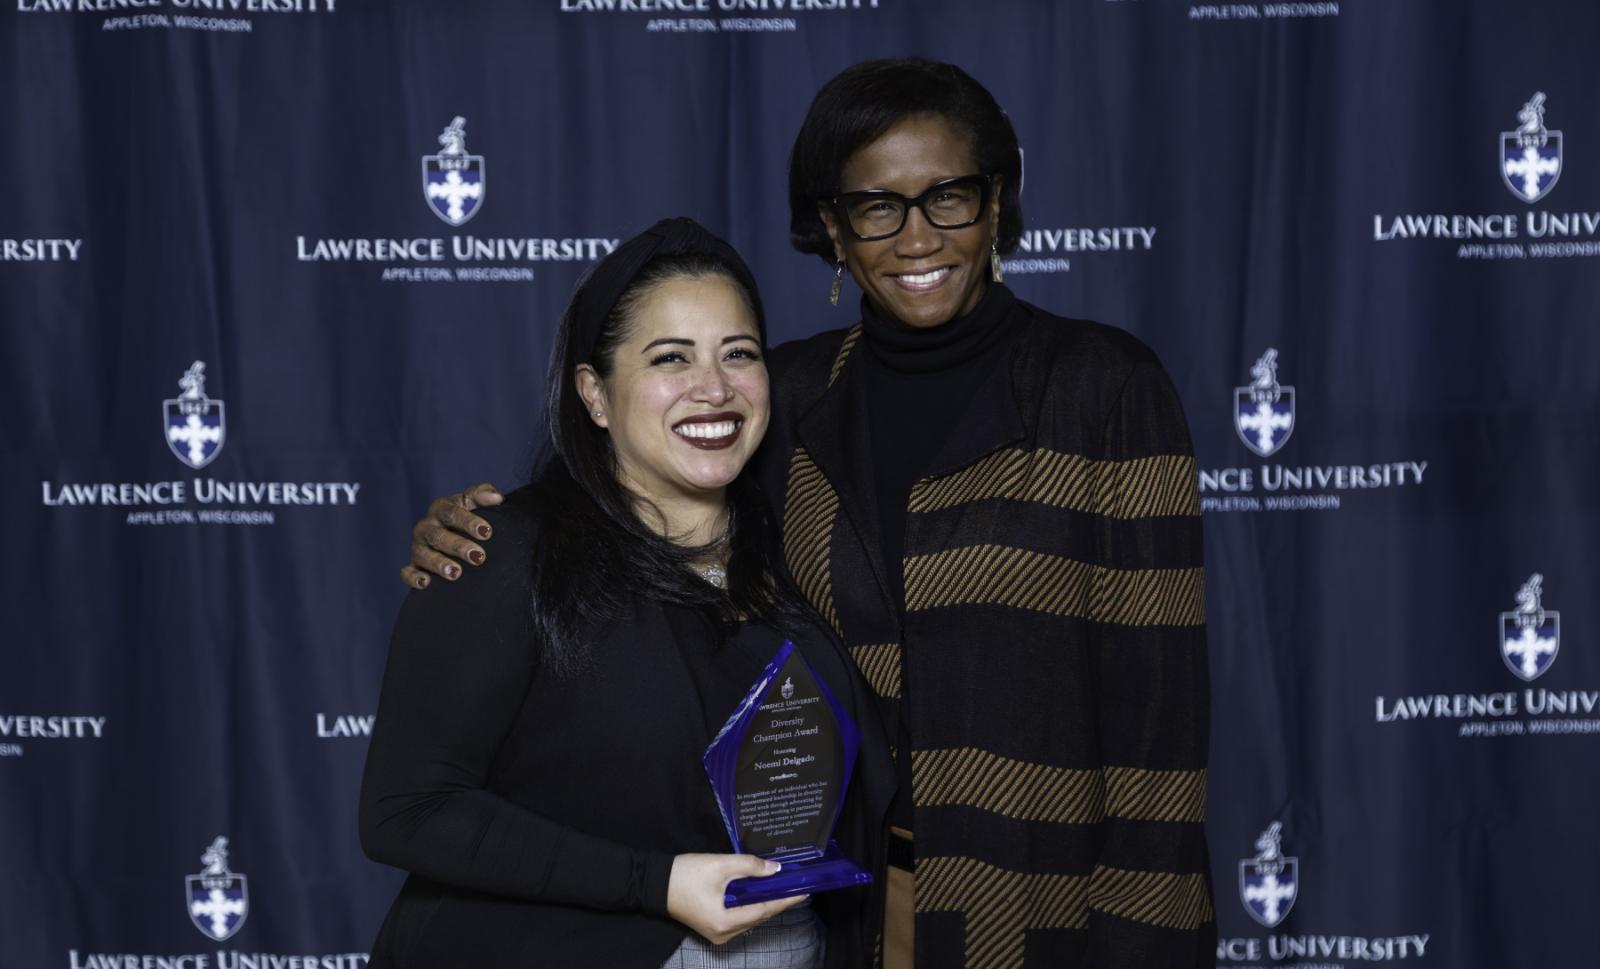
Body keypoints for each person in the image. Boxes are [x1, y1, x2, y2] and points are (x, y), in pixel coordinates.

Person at [402, 59, 1214, 969]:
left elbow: (1162, 731)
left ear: (996, 203)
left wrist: (1147, 944)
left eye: (949, 196)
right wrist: (497, 530)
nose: (916, 237)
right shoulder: (783, 398)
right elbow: (645, 499)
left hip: (1053, 910)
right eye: (876, 206)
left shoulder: (1105, 390)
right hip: (860, 911)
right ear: (832, 227)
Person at [360, 217, 893, 968]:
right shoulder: (507, 550)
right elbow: (404, 810)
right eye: (671, 358)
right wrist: (658, 883)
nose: (713, 387)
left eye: (738, 353)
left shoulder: (798, 544)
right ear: (596, 394)